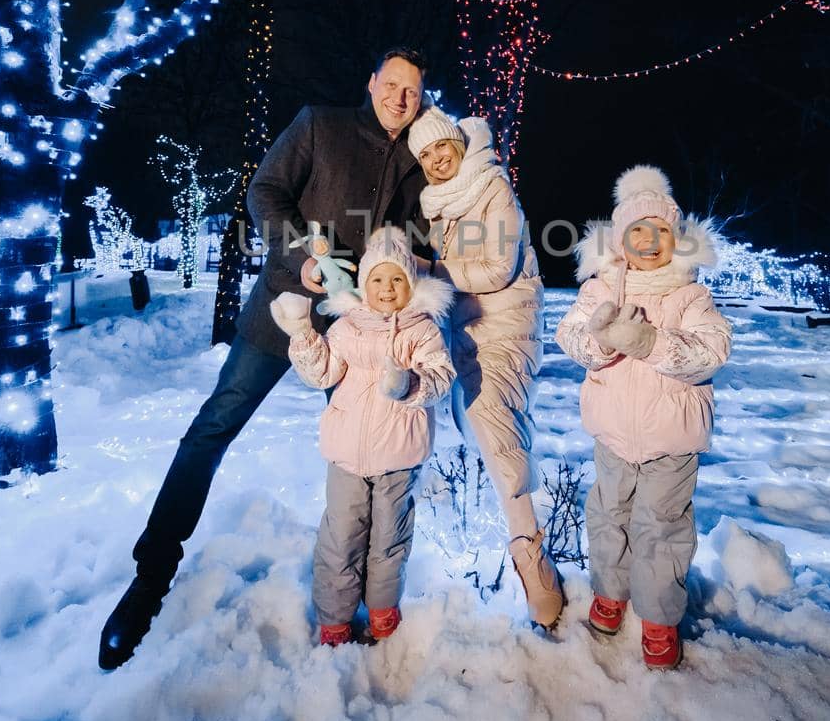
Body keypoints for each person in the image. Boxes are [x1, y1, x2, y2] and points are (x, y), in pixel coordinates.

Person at [99, 48, 431, 670]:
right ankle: (151, 572)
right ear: (372, 82)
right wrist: (304, 256)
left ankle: (356, 595)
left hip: (358, 330)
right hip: (285, 307)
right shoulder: (320, 125)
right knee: (215, 424)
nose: (400, 98)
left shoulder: (420, 157)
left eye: (412, 91)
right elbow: (265, 191)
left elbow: (421, 239)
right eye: (392, 85)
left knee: (366, 457)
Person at [554, 166, 732, 669]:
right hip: (612, 436)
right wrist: (603, 340)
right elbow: (570, 338)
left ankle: (658, 616)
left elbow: (712, 350)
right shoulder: (601, 288)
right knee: (609, 516)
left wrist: (651, 343)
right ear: (620, 240)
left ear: (676, 239)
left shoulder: (689, 295)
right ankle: (611, 591)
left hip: (671, 442)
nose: (650, 241)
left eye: (661, 231)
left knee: (661, 526)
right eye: (638, 230)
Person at [406, 108, 564, 626]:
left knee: (491, 415)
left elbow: (498, 266)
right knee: (443, 409)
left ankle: (530, 553)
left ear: (457, 142)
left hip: (506, 325)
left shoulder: (492, 185)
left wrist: (429, 271)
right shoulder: (438, 204)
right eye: (424, 155)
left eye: (440, 148)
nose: (434, 160)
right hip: (466, 329)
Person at [270, 227, 455, 645]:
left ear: (409, 285)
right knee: (341, 537)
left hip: (398, 455)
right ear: (364, 284)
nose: (387, 289)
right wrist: (303, 335)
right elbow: (322, 374)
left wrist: (408, 384)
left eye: (396, 280)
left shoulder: (421, 330)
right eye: (377, 279)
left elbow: (441, 378)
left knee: (390, 538)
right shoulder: (346, 328)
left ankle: (382, 608)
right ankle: (334, 616)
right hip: (347, 456)